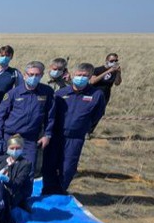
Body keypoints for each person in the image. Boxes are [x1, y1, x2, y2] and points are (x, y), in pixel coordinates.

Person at [42, 63, 106, 195]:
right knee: (49, 164)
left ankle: (60, 190)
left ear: (90, 77)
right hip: (56, 135)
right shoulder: (61, 93)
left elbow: (97, 114)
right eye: (78, 75)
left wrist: (84, 126)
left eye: (84, 76)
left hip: (75, 137)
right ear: (73, 74)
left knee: (68, 167)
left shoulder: (96, 95)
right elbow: (52, 114)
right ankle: (48, 189)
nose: (81, 78)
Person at [0, 61, 55, 169]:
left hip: (30, 138)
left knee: (28, 169)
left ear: (41, 75)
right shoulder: (13, 93)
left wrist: (47, 135)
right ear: (25, 75)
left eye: (37, 75)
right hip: (10, 136)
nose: (34, 77)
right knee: (6, 169)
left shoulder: (47, 92)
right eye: (31, 74)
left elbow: (50, 116)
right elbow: (0, 116)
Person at [0, 134, 33, 210]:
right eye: (12, 148)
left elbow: (17, 184)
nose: (14, 151)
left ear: (22, 149)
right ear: (7, 148)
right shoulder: (1, 159)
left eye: (17, 148)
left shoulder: (25, 163)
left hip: (14, 192)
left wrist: (6, 179)